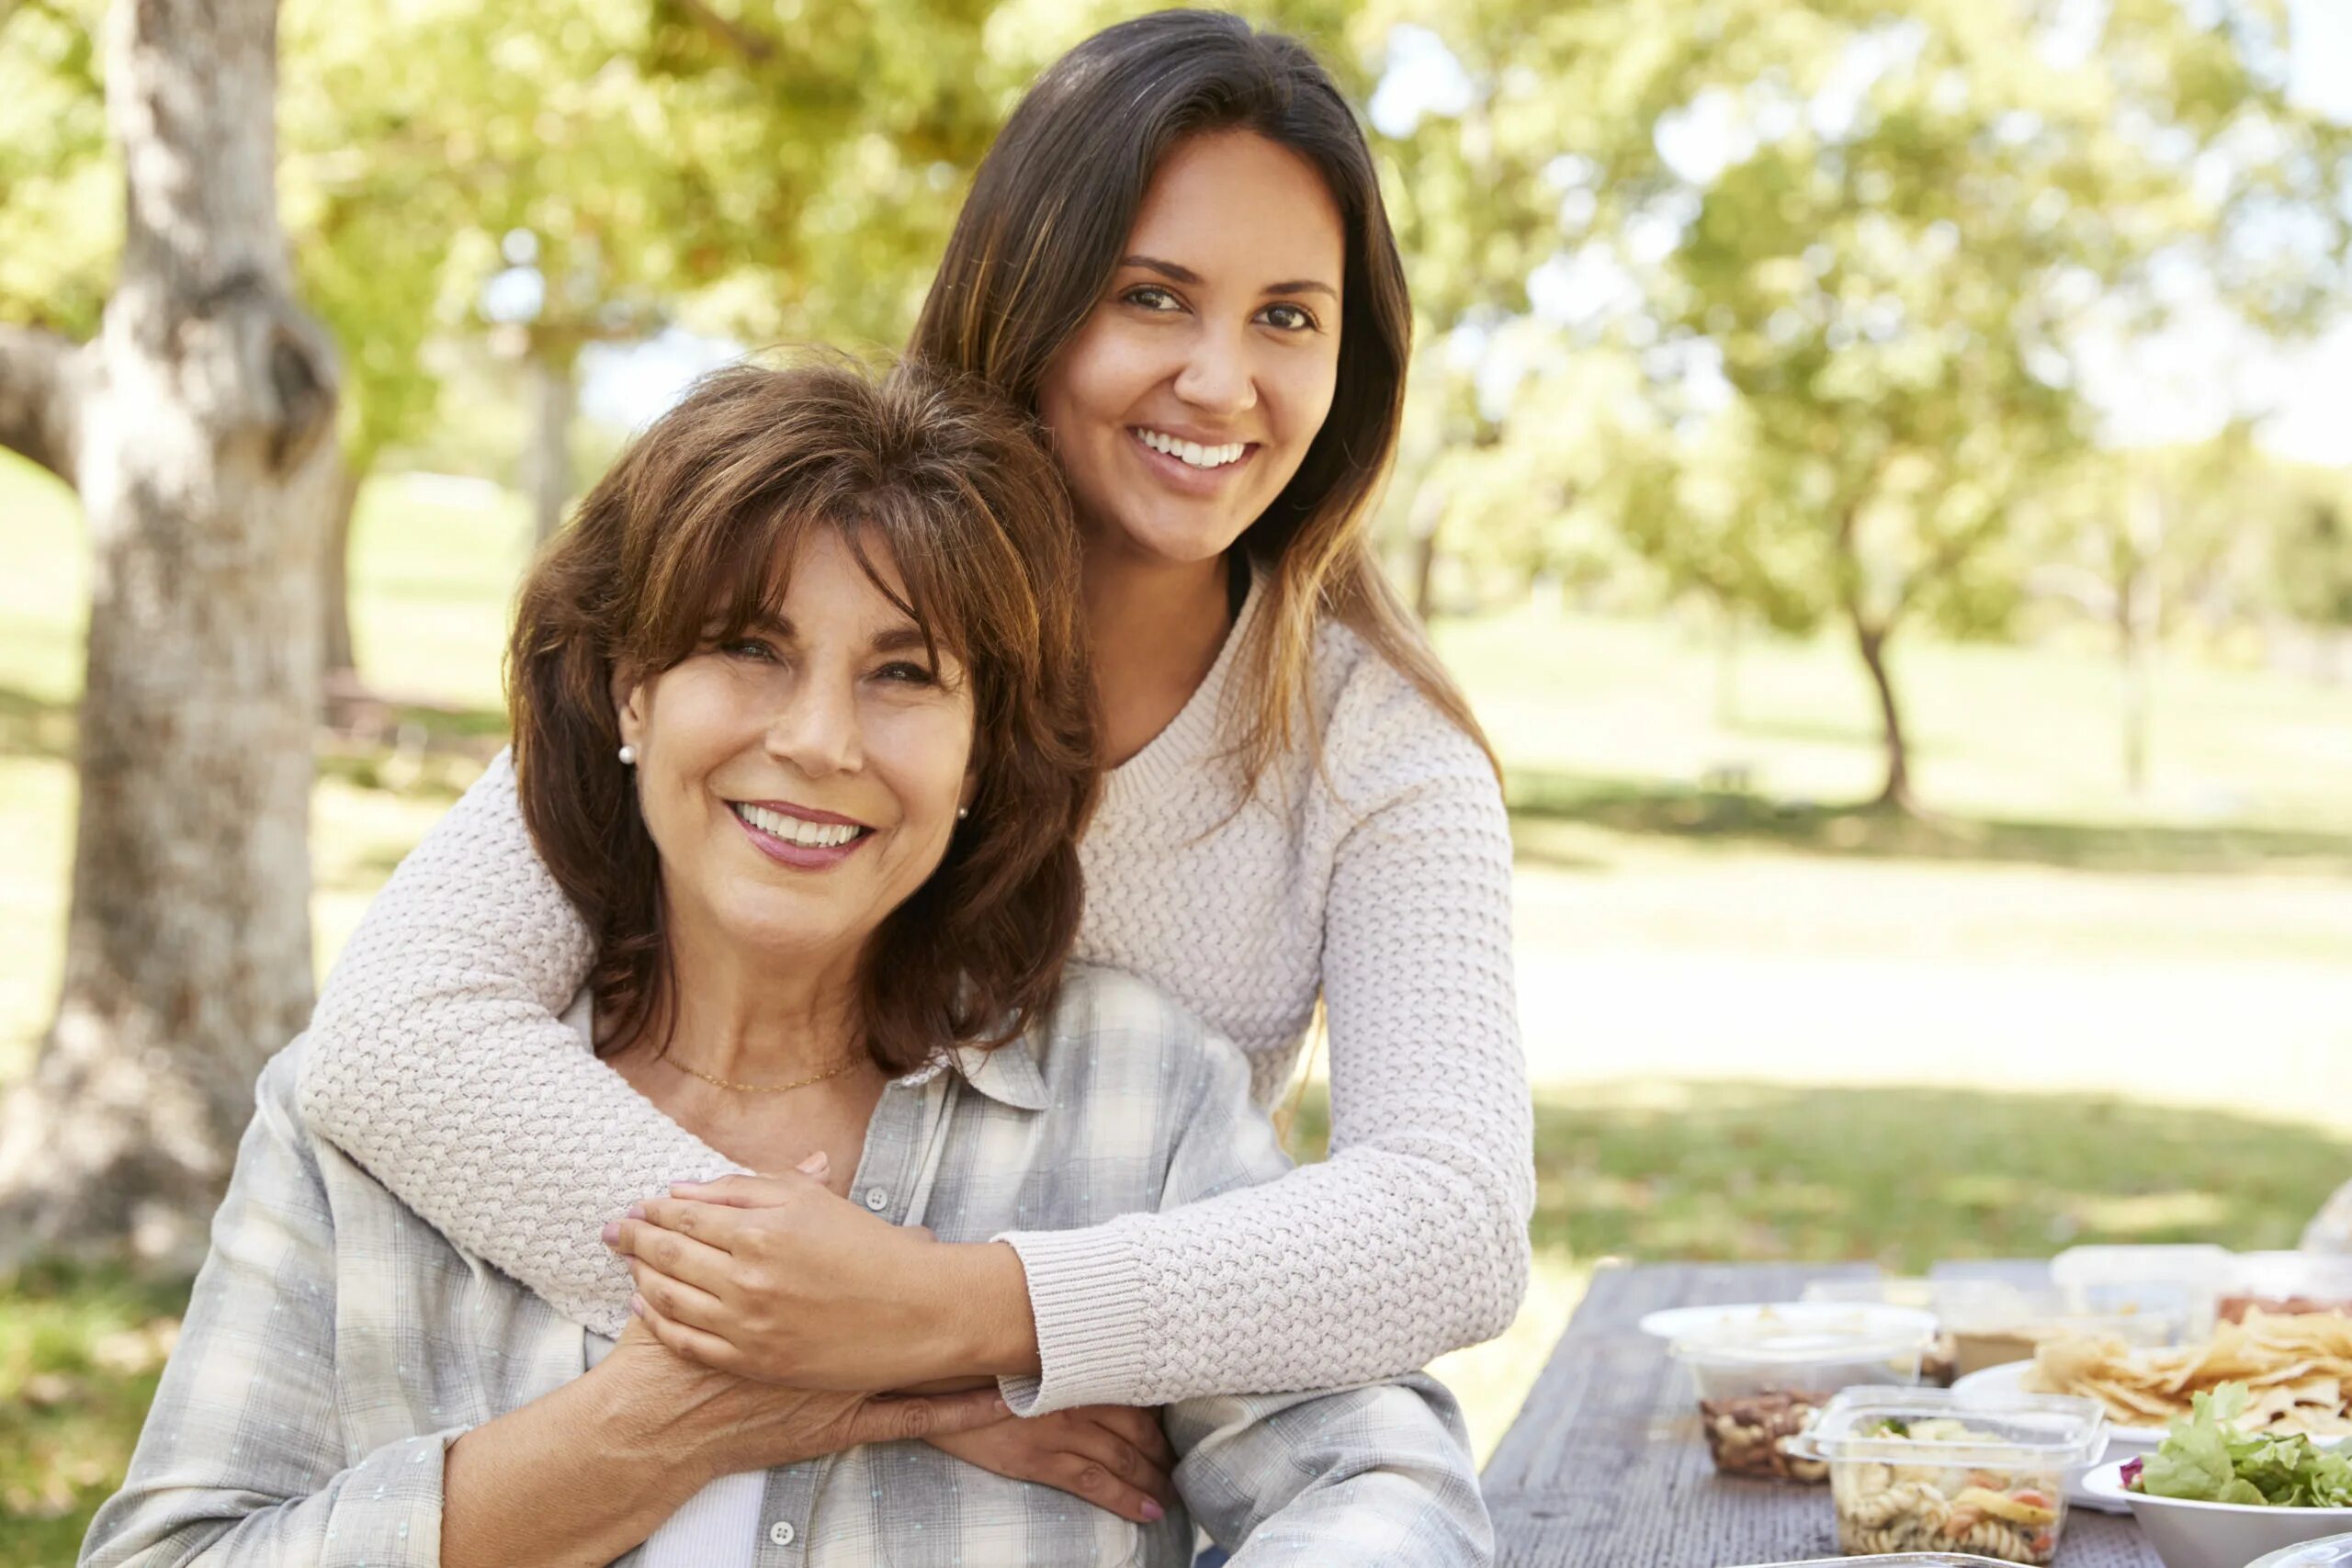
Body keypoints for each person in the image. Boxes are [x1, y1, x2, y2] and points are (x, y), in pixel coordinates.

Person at [297, 7, 1532, 1520]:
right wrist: (847, 1374)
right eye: (1155, 297)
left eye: (1289, 317)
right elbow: (393, 1037)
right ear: (1030, 299)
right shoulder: (797, 603)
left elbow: (1455, 1222)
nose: (1223, 381)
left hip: (1062, 1494)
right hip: (604, 1438)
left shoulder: (1375, 756)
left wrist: (966, 1313)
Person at [82, 361, 1490, 1568]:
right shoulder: (367, 1131)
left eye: (904, 673)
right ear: (635, 692)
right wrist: (658, 1427)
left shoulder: (1137, 1095)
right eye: (748, 649)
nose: (819, 739)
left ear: (979, 753)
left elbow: (1380, 1489)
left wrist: (939, 1314)